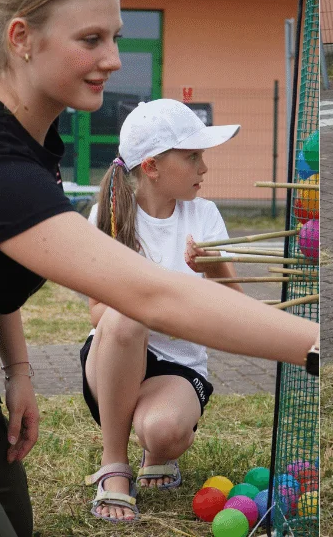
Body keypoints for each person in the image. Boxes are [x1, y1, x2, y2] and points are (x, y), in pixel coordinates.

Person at [0, 0, 318, 535]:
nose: (113, 57)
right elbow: (152, 296)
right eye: (91, 40)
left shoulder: (25, 137)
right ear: (22, 38)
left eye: (115, 35)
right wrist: (315, 343)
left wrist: (20, 372)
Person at [80, 98, 246, 521]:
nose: (204, 168)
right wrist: (153, 307)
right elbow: (98, 312)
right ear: (151, 166)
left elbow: (236, 308)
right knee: (126, 311)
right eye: (192, 157)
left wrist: (216, 267)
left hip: (177, 366)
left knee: (163, 431)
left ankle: (155, 445)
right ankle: (114, 464)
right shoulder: (109, 215)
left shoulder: (204, 215)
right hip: (111, 359)